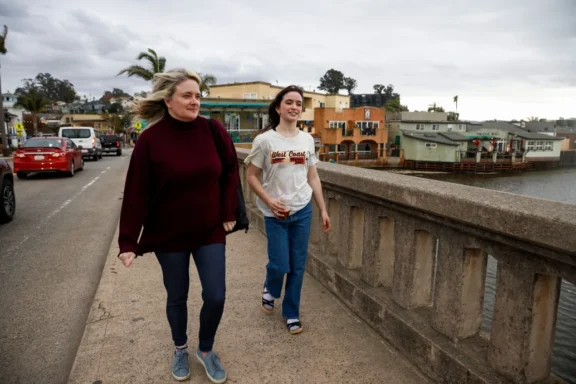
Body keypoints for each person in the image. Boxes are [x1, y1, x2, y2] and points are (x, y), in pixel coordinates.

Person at [117, 69, 238, 383]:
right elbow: (136, 192)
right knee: (177, 295)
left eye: (198, 95)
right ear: (167, 100)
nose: (195, 101)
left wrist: (228, 211)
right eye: (187, 95)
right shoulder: (150, 140)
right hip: (169, 233)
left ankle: (206, 349)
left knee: (216, 295)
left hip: (209, 229)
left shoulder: (213, 130)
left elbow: (229, 171)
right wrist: (129, 241)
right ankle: (180, 347)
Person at [244, 85, 331, 335]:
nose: (294, 107)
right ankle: (270, 288)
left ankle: (291, 312)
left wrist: (323, 209)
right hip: (276, 213)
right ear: (278, 107)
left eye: (298, 103)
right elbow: (251, 176)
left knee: (298, 265)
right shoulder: (264, 141)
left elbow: (312, 177)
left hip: (302, 210)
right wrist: (269, 201)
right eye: (289, 102)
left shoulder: (306, 140)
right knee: (280, 264)